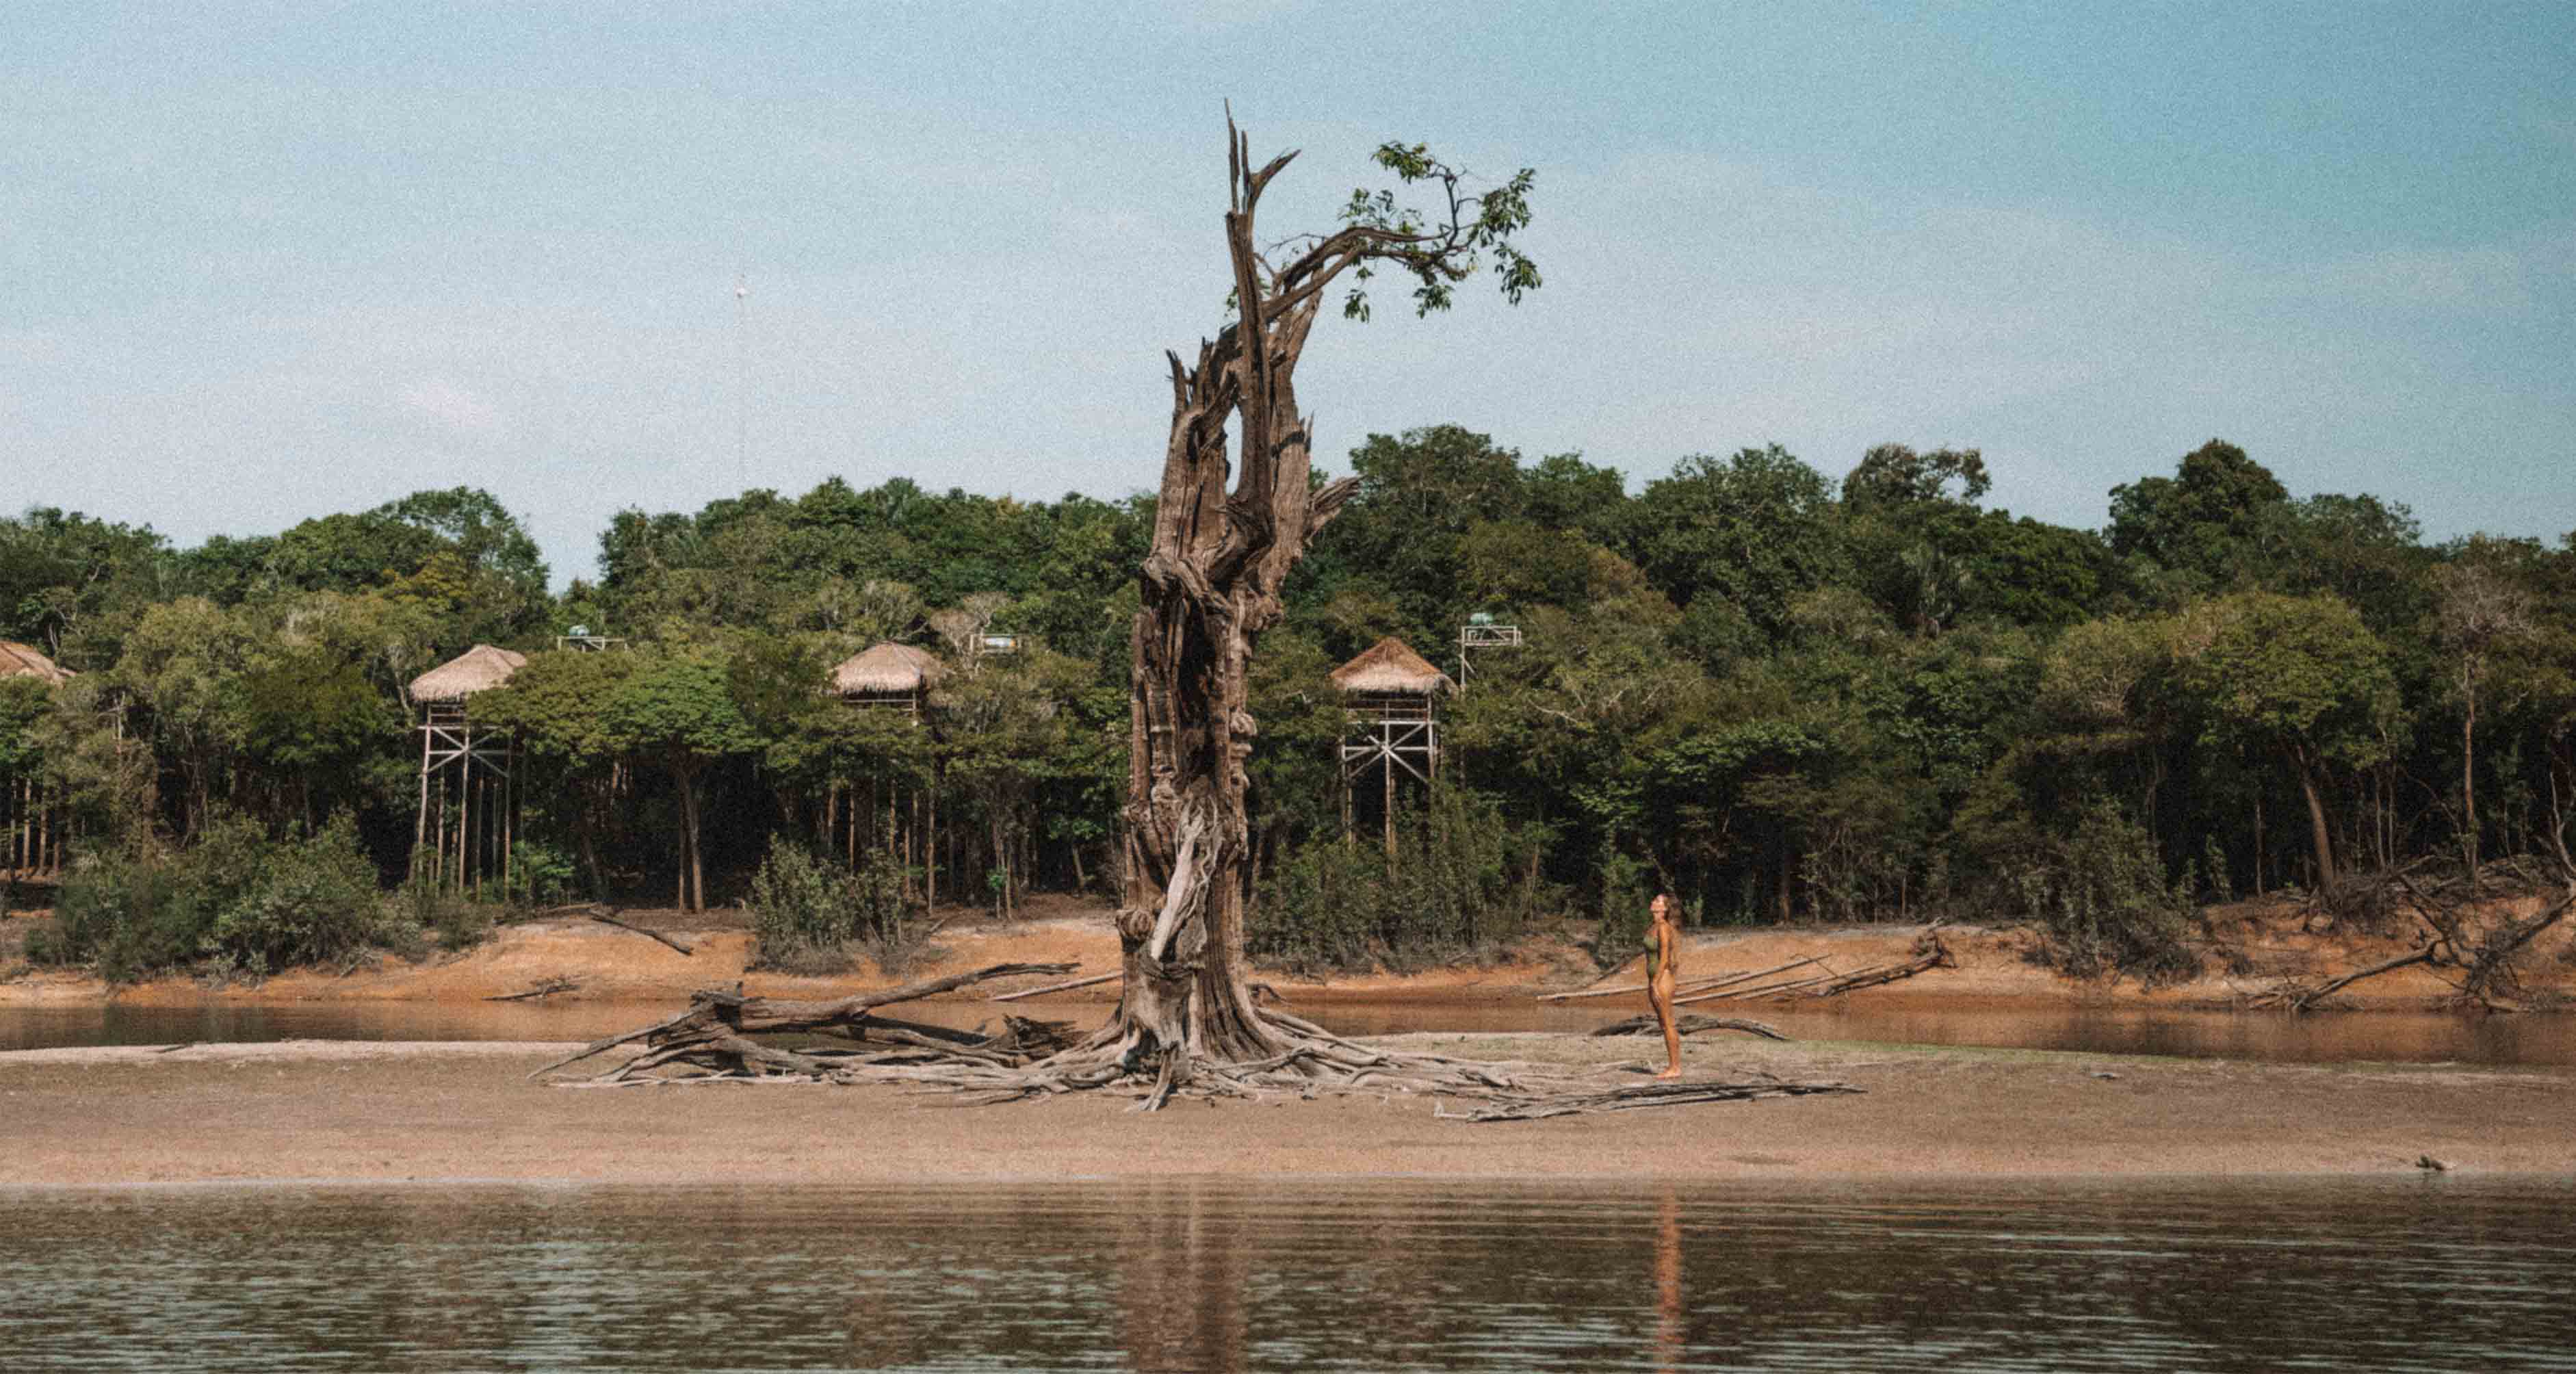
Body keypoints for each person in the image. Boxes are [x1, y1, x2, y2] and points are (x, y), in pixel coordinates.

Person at [1645, 892, 1682, 1078]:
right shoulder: (1654, 926)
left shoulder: (1664, 928)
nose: (1653, 901)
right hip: (1654, 980)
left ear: (1665, 909)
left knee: (1668, 1023)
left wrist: (1655, 982)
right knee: (1663, 1023)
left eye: (1658, 901)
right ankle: (1672, 1065)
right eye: (1655, 899)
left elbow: (1665, 958)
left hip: (1662, 980)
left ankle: (1675, 1068)